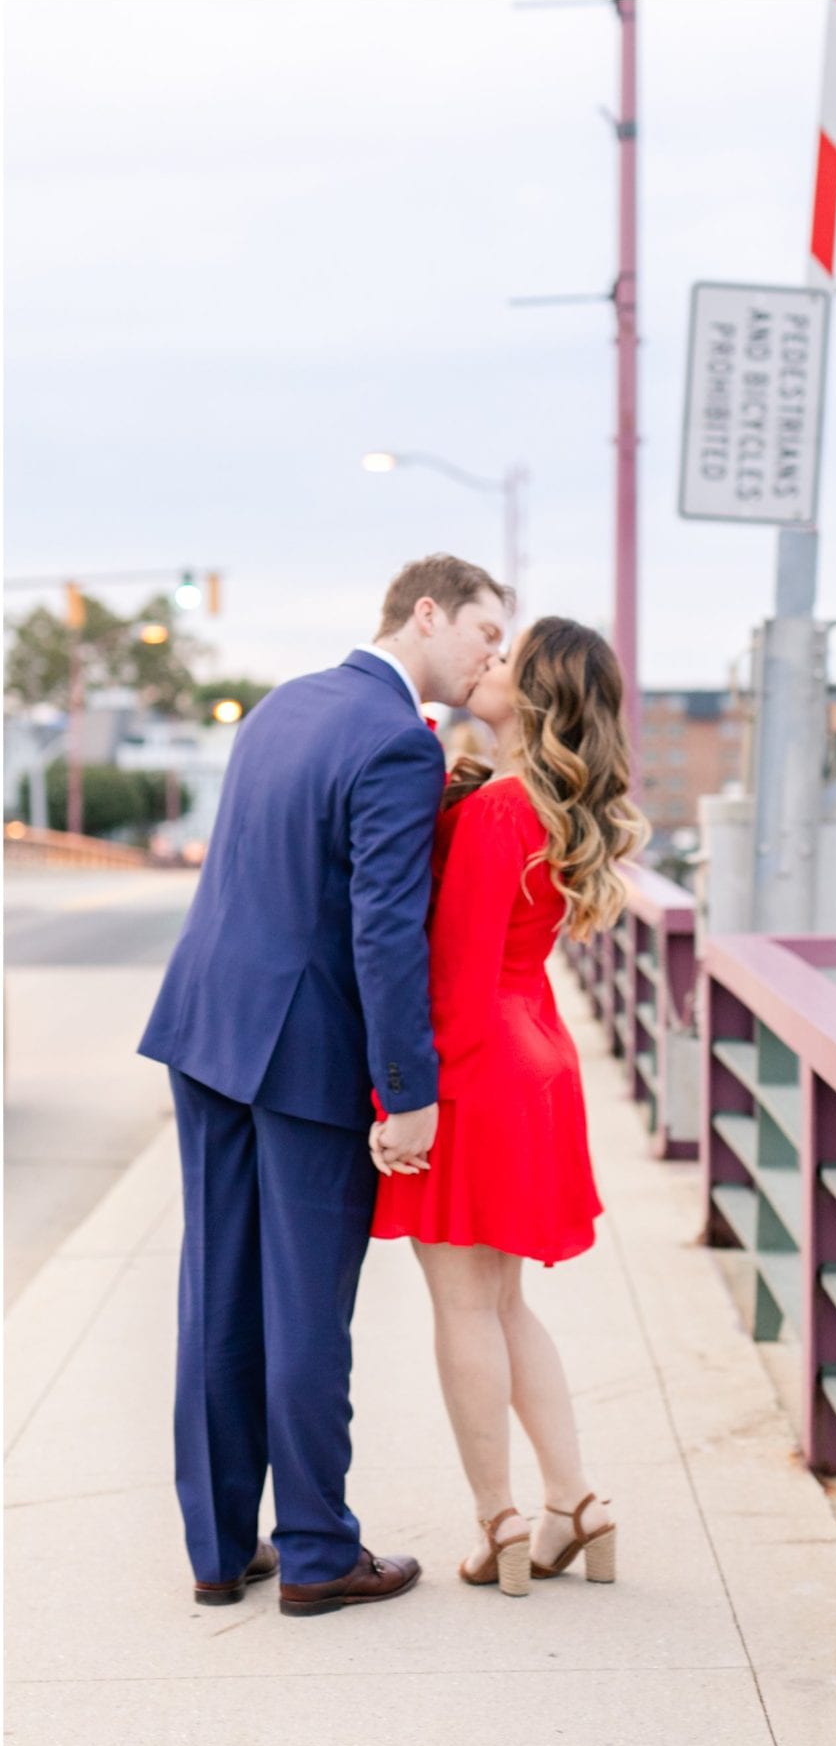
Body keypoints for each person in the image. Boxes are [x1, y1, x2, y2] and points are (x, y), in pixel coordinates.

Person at [139, 552, 513, 1617]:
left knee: (217, 1291)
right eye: (486, 631)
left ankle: (219, 1549)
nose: (493, 654)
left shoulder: (281, 705)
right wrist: (409, 1088)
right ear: (427, 613)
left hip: (207, 1026)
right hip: (301, 1049)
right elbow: (382, 931)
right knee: (306, 1306)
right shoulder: (397, 740)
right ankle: (314, 1551)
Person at [369, 616, 647, 1597]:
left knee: (461, 1304)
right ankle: (574, 1502)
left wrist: (408, 1100)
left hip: (478, 1060)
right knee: (504, 1301)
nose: (488, 663)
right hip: (534, 1053)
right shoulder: (535, 804)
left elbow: (453, 973)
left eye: (506, 659)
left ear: (530, 696)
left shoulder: (499, 812)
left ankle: (498, 1521)